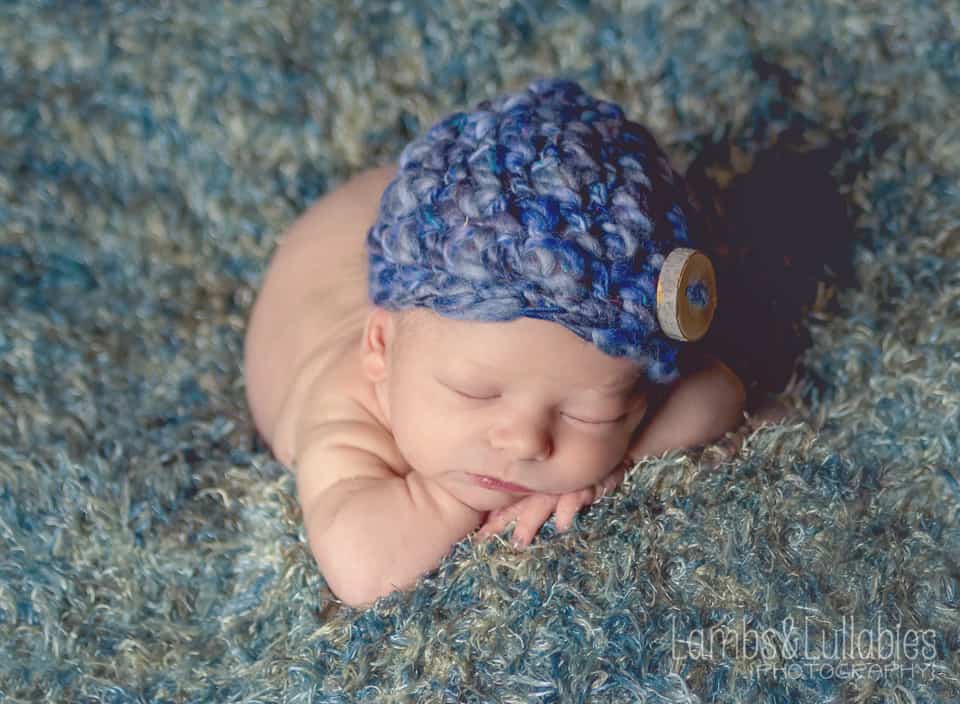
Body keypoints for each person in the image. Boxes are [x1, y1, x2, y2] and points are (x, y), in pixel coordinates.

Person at [243, 78, 779, 607]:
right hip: (352, 231)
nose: (525, 441)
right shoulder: (344, 408)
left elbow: (719, 391)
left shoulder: (597, 348)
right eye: (474, 393)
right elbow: (364, 568)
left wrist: (618, 461)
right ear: (380, 350)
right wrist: (444, 493)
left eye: (589, 415)